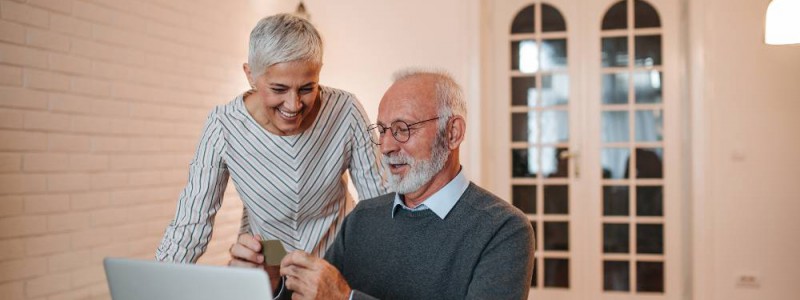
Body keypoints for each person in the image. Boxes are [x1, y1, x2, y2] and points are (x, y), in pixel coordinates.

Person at [230, 69, 535, 299]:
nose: (386, 146)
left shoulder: (503, 230)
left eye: (403, 129)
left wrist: (346, 298)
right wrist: (271, 285)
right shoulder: (363, 217)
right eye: (383, 130)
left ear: (453, 132)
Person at [156, 13, 387, 280]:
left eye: (306, 88)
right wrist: (156, 285)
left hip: (336, 265)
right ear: (250, 75)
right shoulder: (223, 125)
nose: (293, 105)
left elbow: (379, 205)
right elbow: (191, 222)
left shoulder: (345, 111)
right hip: (267, 269)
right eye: (279, 89)